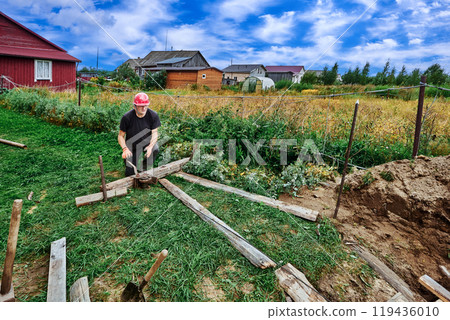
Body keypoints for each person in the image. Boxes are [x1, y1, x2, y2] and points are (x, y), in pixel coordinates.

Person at [118, 92, 161, 176]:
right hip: (132, 146)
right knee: (130, 174)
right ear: (134, 106)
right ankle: (129, 161)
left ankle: (144, 168)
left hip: (147, 144)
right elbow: (120, 136)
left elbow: (155, 133)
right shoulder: (127, 117)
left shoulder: (153, 115)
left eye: (146, 105)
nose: (144, 108)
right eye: (141, 106)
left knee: (155, 148)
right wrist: (125, 149)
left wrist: (150, 146)